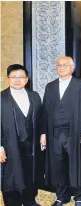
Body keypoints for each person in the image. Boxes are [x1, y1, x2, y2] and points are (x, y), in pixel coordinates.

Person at [40, 56, 81, 206]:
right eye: (59, 65)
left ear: (72, 68)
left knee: (77, 165)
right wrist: (43, 133)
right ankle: (62, 196)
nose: (61, 67)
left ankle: (80, 197)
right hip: (54, 134)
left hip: (75, 133)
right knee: (59, 166)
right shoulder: (50, 87)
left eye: (65, 65)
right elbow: (44, 111)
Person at [1, 64, 42, 206]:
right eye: (14, 77)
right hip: (9, 144)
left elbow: (41, 119)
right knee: (10, 176)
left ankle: (30, 200)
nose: (17, 80)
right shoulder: (1, 98)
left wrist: (43, 135)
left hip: (31, 145)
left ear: (27, 79)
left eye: (21, 77)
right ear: (8, 79)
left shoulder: (34, 96)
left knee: (30, 173)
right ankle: (12, 202)